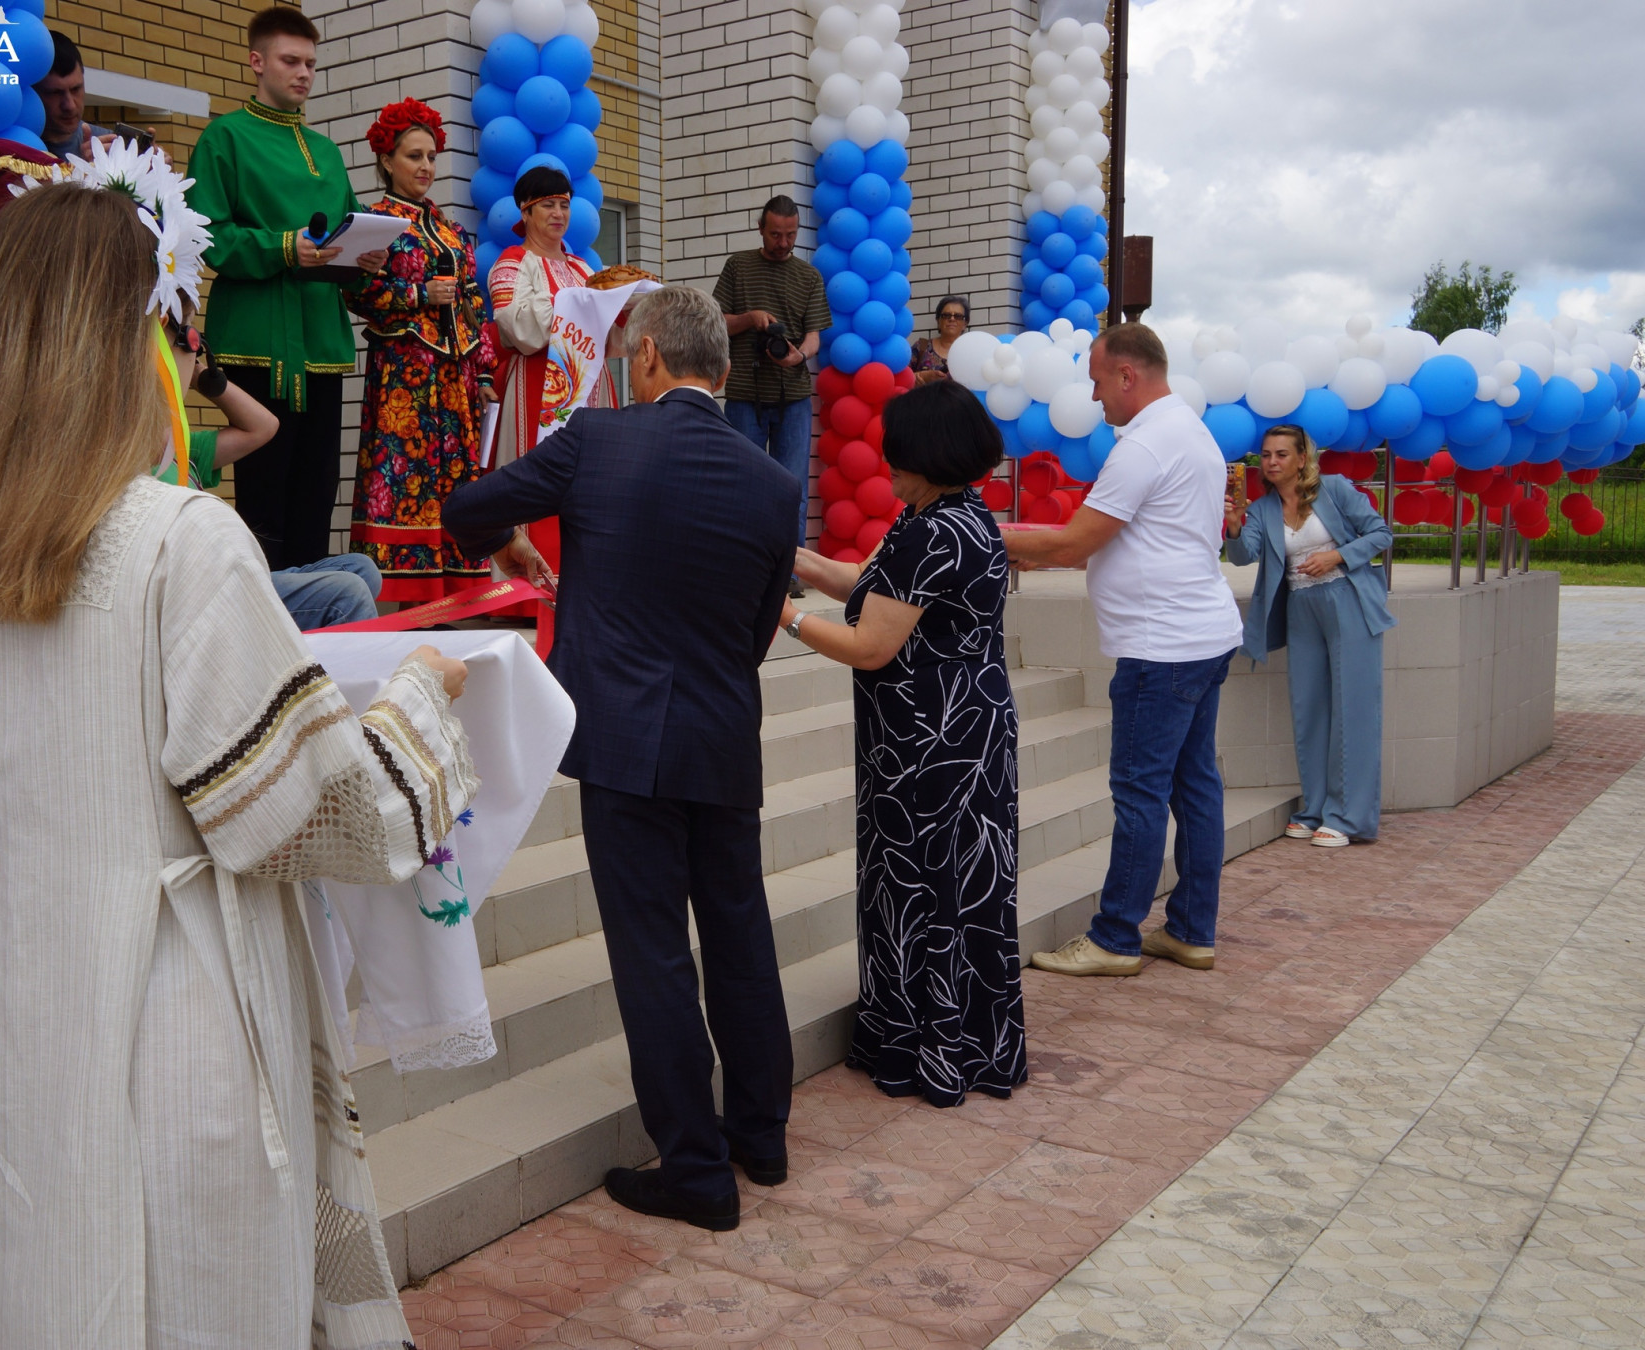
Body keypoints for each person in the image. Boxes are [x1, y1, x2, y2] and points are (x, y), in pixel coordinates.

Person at [0, 181, 476, 1348]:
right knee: (191, 1285)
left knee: (68, 1267)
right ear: (134, 337)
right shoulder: (181, 537)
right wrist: (424, 701)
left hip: (42, 989)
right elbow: (317, 818)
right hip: (180, 995)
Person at [445, 285, 798, 1232]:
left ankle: (695, 1170)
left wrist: (504, 541)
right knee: (739, 934)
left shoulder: (599, 440)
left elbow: (467, 505)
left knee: (653, 955)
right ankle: (759, 1138)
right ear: (720, 369)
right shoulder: (774, 481)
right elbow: (761, 629)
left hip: (628, 739)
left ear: (645, 359)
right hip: (724, 732)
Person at [783, 380, 1027, 1106]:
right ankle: (971, 1038)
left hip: (930, 745)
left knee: (922, 887)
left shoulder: (929, 530)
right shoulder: (958, 515)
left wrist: (782, 620)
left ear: (923, 450)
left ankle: (922, 1042)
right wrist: (789, 557)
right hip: (969, 728)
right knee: (963, 887)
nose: (886, 458)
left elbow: (868, 644)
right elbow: (866, 587)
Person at [1003, 322, 1244, 977]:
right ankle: (1191, 930)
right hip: (1200, 635)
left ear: (1128, 375)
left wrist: (978, 534)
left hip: (1161, 649)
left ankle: (1115, 938)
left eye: (1098, 380)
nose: (1094, 395)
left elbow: (1074, 543)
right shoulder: (1190, 430)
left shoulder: (1144, 445)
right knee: (1196, 788)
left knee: (1141, 792)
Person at [184, 5, 387, 571]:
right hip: (257, 340)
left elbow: (343, 231)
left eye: (311, 64)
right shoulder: (224, 137)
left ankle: (313, 639)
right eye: (290, 60)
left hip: (319, 341)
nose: (303, 73)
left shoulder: (325, 150)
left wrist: (363, 257)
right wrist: (281, 247)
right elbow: (207, 238)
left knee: (317, 497)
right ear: (257, 61)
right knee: (263, 500)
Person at [343, 98, 496, 602]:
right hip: (405, 375)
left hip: (453, 380)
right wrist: (418, 295)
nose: (426, 167)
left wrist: (484, 367)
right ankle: (407, 597)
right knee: (404, 476)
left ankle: (455, 596)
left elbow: (473, 300)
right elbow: (357, 294)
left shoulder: (450, 228)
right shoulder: (373, 221)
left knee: (454, 481)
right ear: (387, 160)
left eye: (431, 156)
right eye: (413, 156)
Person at [1226, 425, 1395, 846]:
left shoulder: (1334, 489)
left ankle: (1349, 818)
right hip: (1300, 609)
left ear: (1302, 458)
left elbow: (1381, 533)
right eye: (1265, 455)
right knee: (1309, 709)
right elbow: (1245, 555)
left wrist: (1337, 555)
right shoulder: (1263, 508)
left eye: (1281, 454)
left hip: (1348, 601)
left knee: (1352, 708)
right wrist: (1232, 524)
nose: (1271, 462)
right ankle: (1315, 808)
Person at [160, 314, 379, 628]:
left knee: (361, 569)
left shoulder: (182, 446)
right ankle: (333, 675)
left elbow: (263, 427)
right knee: (349, 594)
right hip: (210, 596)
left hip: (235, 579)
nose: (195, 349)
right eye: (188, 339)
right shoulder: (145, 449)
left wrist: (205, 380)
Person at [485, 165, 619, 648]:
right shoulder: (510, 263)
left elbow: (613, 338)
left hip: (591, 386)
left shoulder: (585, 267)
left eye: (564, 203)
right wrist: (573, 304)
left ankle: (590, 590)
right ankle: (525, 593)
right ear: (525, 210)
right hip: (538, 385)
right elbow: (515, 329)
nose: (559, 213)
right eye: (548, 204)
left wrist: (625, 306)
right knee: (536, 480)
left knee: (593, 483)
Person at [713, 195, 831, 588]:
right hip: (745, 393)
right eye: (776, 234)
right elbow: (717, 323)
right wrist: (750, 318)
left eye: (791, 235)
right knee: (743, 483)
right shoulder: (738, 266)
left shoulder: (808, 276)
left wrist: (799, 357)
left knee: (792, 485)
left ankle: (789, 573)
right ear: (761, 228)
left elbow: (814, 335)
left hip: (794, 395)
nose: (784, 242)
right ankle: (744, 570)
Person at [37, 32, 108, 161]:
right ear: (34, 93)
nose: (69, 105)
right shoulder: (11, 151)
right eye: (55, 93)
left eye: (76, 89)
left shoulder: (107, 145)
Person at [911, 295, 969, 385]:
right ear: (938, 321)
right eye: (946, 315)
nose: (952, 319)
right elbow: (902, 377)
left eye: (958, 316)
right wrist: (920, 376)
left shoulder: (971, 351)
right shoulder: (921, 347)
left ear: (965, 324)